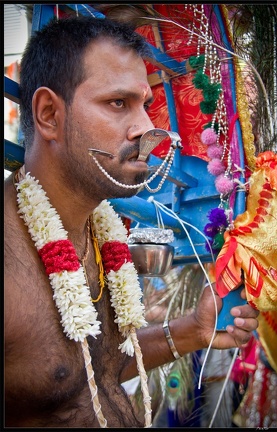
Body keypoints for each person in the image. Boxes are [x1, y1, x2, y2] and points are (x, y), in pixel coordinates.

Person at [4, 15, 259, 428]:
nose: (147, 128)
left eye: (144, 105)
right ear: (49, 114)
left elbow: (88, 365)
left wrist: (193, 330)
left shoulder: (96, 229)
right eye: (118, 103)